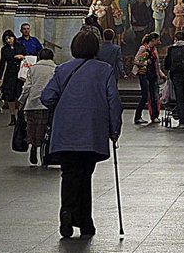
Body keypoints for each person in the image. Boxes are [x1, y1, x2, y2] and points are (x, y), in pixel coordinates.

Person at [41, 32, 122, 238]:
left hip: (66, 134)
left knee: (69, 174)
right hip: (92, 133)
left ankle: (67, 214)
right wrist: (114, 129)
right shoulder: (105, 70)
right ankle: (86, 222)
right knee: (85, 176)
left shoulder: (62, 69)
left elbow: (47, 96)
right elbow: (114, 102)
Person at [18, 48, 57, 166]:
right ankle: (46, 152)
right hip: (48, 104)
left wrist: (21, 101)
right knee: (46, 128)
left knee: (32, 127)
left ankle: (33, 146)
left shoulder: (32, 69)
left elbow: (27, 87)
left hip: (32, 104)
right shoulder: (56, 69)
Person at [163, 31, 184, 129]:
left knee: (179, 97)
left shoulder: (171, 49)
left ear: (175, 39)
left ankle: (182, 121)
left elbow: (167, 64)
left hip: (176, 76)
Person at [0, 29, 27, 126]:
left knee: (20, 94)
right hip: (10, 74)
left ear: (13, 37)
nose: (8, 40)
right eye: (6, 39)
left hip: (20, 73)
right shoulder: (4, 49)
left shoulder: (20, 46)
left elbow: (28, 57)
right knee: (10, 96)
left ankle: (21, 116)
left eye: (10, 38)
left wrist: (22, 56)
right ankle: (12, 116)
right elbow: (2, 63)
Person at [133, 32, 162, 124]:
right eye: (157, 40)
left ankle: (154, 116)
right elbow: (136, 60)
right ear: (153, 40)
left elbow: (157, 64)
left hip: (153, 74)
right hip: (144, 74)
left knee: (154, 96)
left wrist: (160, 74)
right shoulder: (143, 48)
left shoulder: (154, 49)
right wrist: (145, 62)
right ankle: (137, 116)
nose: (158, 41)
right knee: (145, 96)